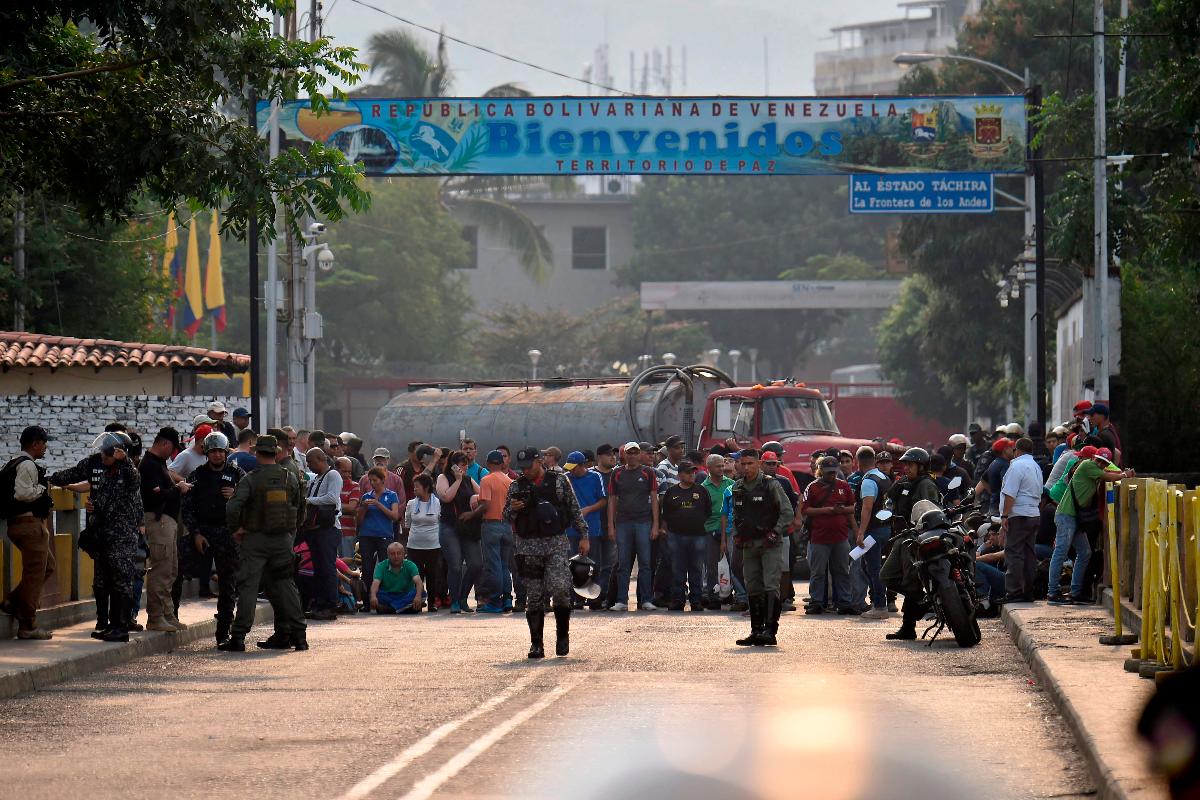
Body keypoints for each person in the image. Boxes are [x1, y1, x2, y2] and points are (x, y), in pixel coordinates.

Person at [50, 432, 143, 642]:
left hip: (121, 537)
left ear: (117, 454)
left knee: (121, 581)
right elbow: (100, 496)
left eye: (106, 454)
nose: (102, 457)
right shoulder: (106, 473)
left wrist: (125, 460)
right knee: (105, 580)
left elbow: (134, 482)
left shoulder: (127, 473)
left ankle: (121, 627)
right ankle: (110, 625)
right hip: (103, 535)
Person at [221, 435, 307, 652]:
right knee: (286, 586)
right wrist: (290, 531)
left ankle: (238, 637)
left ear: (258, 453)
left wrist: (236, 529)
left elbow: (232, 507)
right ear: (276, 453)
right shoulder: (290, 478)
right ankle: (299, 636)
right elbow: (300, 508)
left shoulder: (251, 479)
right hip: (282, 540)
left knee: (248, 587)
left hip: (255, 539)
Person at [504, 447, 588, 659]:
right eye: (522, 468)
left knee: (560, 588)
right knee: (534, 596)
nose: (525, 471)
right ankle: (536, 644)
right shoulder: (516, 485)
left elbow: (573, 509)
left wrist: (584, 535)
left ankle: (562, 636)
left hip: (555, 543)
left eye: (529, 466)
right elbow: (505, 515)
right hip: (528, 545)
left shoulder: (559, 481)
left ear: (539, 461)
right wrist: (514, 508)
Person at [181, 432, 244, 643]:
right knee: (177, 571)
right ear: (207, 453)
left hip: (227, 533)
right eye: (213, 451)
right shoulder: (197, 475)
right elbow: (187, 508)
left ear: (226, 453)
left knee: (228, 584)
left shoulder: (237, 474)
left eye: (220, 451)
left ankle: (223, 631)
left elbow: (250, 502)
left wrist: (235, 497)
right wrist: (196, 533)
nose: (217, 455)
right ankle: (168, 617)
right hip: (202, 532)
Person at [1047, 451, 1133, 605]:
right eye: (1099, 461)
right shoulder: (1087, 465)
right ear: (1094, 458)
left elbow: (1111, 472)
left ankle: (1075, 592)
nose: (1100, 465)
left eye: (1104, 463)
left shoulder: (1096, 469)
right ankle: (1053, 592)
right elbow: (1111, 476)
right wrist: (1125, 475)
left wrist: (1120, 473)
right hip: (1067, 515)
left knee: (1085, 552)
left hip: (1075, 518)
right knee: (1061, 552)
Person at [730, 449, 795, 646]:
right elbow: (736, 514)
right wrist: (737, 535)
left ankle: (770, 631)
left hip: (769, 543)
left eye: (750, 463)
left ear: (758, 463)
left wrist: (775, 532)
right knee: (753, 586)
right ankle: (756, 631)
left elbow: (787, 512)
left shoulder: (771, 484)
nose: (746, 467)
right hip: (749, 543)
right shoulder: (738, 486)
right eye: (743, 464)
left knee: (770, 585)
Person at [0, 426, 56, 639]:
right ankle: (28, 625)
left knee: (47, 566)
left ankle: (13, 602)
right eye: (43, 443)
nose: (46, 447)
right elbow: (23, 493)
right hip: (29, 524)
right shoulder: (27, 465)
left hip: (19, 525)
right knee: (34, 574)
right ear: (34, 443)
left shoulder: (12, 463)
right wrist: (42, 489)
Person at [879, 447, 940, 641]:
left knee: (911, 580)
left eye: (911, 465)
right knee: (886, 576)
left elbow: (929, 510)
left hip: (916, 538)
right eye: (905, 464)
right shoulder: (904, 483)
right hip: (901, 536)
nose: (907, 468)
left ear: (921, 466)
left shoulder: (925, 484)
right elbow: (888, 503)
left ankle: (908, 626)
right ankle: (923, 600)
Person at [139, 427, 190, 633]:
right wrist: (177, 489)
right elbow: (153, 497)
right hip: (158, 522)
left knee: (171, 570)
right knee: (160, 570)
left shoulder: (160, 465)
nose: (172, 453)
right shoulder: (149, 466)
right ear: (164, 444)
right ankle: (156, 616)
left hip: (168, 523)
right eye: (172, 448)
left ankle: (168, 614)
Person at [607, 442, 660, 612]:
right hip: (623, 522)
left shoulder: (648, 472)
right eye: (629, 453)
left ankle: (645, 600)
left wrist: (655, 525)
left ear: (639, 454)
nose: (632, 456)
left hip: (644, 522)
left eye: (635, 453)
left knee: (645, 563)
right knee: (623, 563)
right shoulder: (617, 473)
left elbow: (654, 499)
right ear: (625, 455)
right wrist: (611, 526)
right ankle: (621, 600)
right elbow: (612, 500)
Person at [801, 456, 856, 616]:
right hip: (819, 538)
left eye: (833, 472)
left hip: (840, 537)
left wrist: (841, 510)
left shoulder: (844, 486)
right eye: (828, 472)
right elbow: (805, 510)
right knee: (818, 572)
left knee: (842, 571)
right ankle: (817, 602)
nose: (831, 475)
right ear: (820, 471)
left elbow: (852, 507)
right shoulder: (812, 487)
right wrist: (828, 510)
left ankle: (844, 602)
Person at [997, 438, 1045, 604]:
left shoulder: (1016, 466)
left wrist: (1004, 515)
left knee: (1014, 553)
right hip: (1033, 513)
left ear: (1017, 450)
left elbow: (1010, 493)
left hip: (1019, 514)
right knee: (1029, 553)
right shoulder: (1035, 466)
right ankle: (1027, 591)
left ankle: (1014, 591)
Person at [660, 460, 711, 612]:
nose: (692, 475)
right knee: (678, 569)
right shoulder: (671, 492)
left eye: (693, 472)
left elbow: (708, 511)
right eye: (688, 472)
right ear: (680, 474)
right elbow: (666, 514)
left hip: (698, 536)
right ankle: (678, 600)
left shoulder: (701, 491)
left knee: (696, 569)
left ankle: (696, 600)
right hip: (676, 536)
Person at [437, 450, 483, 613]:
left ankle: (463, 597)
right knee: (455, 565)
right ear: (453, 465)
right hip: (449, 526)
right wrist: (457, 481)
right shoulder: (443, 478)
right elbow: (446, 497)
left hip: (467, 526)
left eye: (466, 464)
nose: (465, 467)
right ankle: (455, 600)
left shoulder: (469, 480)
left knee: (476, 564)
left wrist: (475, 498)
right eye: (462, 464)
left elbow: (483, 494)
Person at [853, 447, 894, 619]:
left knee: (873, 567)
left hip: (874, 531)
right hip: (885, 528)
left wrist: (861, 533)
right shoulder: (884, 477)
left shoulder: (869, 481)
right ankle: (879, 602)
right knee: (868, 565)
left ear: (858, 462)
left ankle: (879, 606)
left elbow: (867, 508)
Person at [303, 447, 343, 621]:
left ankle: (330, 605)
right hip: (315, 529)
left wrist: (307, 501)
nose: (309, 466)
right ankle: (319, 604)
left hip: (328, 529)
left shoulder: (333, 475)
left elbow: (332, 498)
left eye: (311, 462)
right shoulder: (316, 479)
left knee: (327, 568)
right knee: (318, 570)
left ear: (320, 459)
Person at [564, 450, 606, 609]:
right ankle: (577, 598)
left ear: (583, 465)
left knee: (593, 564)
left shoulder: (595, 477)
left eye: (574, 467)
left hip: (592, 527)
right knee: (573, 564)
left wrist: (588, 509)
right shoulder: (567, 478)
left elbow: (603, 501)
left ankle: (594, 597)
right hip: (571, 529)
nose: (572, 470)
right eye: (570, 467)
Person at [357, 467, 401, 610]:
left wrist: (378, 504)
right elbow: (359, 520)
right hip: (367, 535)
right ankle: (367, 602)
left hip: (384, 535)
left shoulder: (392, 495)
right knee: (367, 568)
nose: (372, 483)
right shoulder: (366, 496)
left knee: (385, 567)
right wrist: (363, 508)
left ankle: (384, 599)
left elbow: (395, 516)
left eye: (375, 480)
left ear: (382, 480)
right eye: (370, 481)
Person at [477, 450, 515, 613]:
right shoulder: (509, 481)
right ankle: (507, 598)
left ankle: (494, 600)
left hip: (491, 524)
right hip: (506, 525)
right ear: (501, 463)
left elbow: (485, 504)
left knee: (493, 564)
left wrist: (471, 514)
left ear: (488, 463)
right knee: (504, 565)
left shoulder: (486, 480)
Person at [405, 474, 443, 612]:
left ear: (426, 488)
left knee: (432, 574)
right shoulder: (411, 504)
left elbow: (440, 521)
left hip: (433, 545)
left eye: (417, 486)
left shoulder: (437, 503)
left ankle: (432, 601)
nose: (414, 489)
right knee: (417, 574)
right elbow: (407, 523)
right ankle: (418, 600)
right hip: (414, 545)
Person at [700, 453, 733, 610]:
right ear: (709, 468)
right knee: (711, 565)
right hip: (710, 530)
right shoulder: (703, 488)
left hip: (729, 530)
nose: (722, 468)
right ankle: (713, 595)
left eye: (723, 465)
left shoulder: (732, 484)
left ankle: (730, 594)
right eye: (718, 466)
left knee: (734, 564)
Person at [589, 444, 620, 610]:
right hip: (593, 525)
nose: (612, 457)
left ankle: (604, 596)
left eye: (614, 454)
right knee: (593, 564)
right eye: (609, 455)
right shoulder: (592, 475)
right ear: (599, 456)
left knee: (609, 564)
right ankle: (592, 596)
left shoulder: (617, 475)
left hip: (612, 526)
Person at [370, 542, 424, 614]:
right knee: (375, 594)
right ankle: (404, 608)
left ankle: (392, 609)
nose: (396, 556)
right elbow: (375, 583)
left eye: (399, 553)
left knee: (422, 594)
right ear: (388, 555)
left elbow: (418, 582)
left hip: (405, 594)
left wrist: (418, 596)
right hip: (388, 595)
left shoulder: (410, 565)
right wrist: (373, 596)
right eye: (392, 554)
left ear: (403, 554)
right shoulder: (381, 566)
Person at [975, 438, 1015, 514]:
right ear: (1005, 450)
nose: (1013, 450)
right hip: (1001, 508)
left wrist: (993, 492)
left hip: (993, 505)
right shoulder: (1005, 465)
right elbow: (1007, 486)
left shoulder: (994, 462)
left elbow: (983, 479)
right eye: (1011, 447)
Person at [336, 456, 362, 557]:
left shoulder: (354, 486)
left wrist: (332, 504)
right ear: (336, 470)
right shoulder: (331, 484)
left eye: (349, 472)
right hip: (333, 530)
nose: (347, 475)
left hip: (348, 531)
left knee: (348, 562)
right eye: (343, 471)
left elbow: (351, 507)